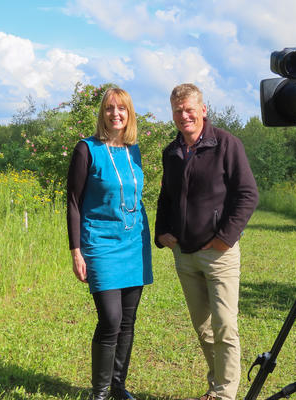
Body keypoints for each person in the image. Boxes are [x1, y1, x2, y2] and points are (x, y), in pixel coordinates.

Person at [154, 83, 259, 400]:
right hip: (185, 255)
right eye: (177, 110)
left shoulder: (227, 144)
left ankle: (225, 394)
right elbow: (166, 198)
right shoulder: (171, 152)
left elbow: (248, 195)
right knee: (203, 328)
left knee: (225, 325)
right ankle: (216, 386)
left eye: (189, 109)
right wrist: (162, 233)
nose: (184, 115)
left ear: (203, 110)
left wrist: (225, 238)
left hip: (218, 255)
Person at [67, 88, 153, 400]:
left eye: (122, 109)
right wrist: (76, 250)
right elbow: (74, 202)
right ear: (102, 113)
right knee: (111, 319)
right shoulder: (86, 149)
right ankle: (99, 393)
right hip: (100, 243)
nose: (115, 114)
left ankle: (118, 386)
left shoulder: (134, 150)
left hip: (133, 243)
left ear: (129, 114)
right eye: (109, 109)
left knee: (128, 321)